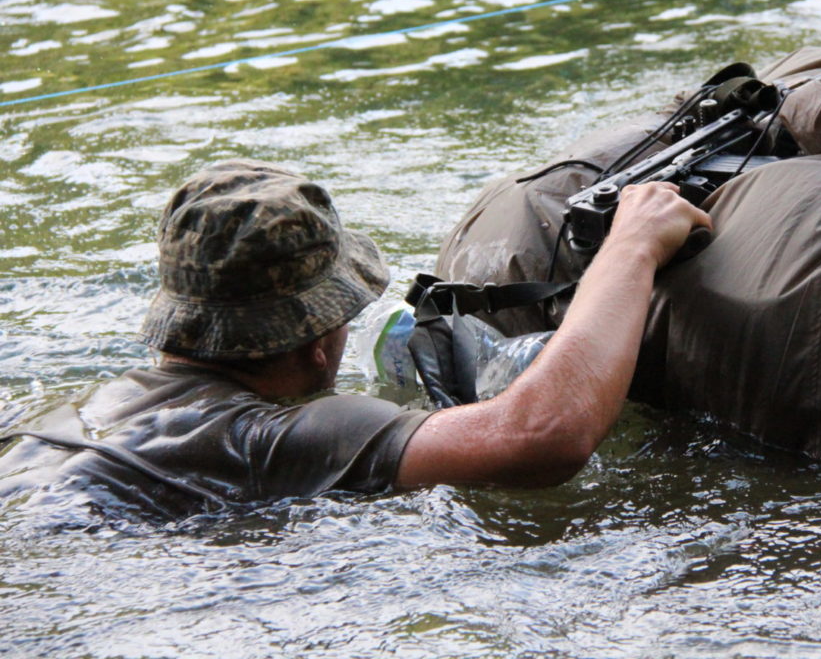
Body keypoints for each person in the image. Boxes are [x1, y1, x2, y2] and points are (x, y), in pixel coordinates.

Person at [0, 159, 710, 519]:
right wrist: (633, 248)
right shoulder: (281, 433)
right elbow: (541, 437)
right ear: (319, 341)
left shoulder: (64, 416)